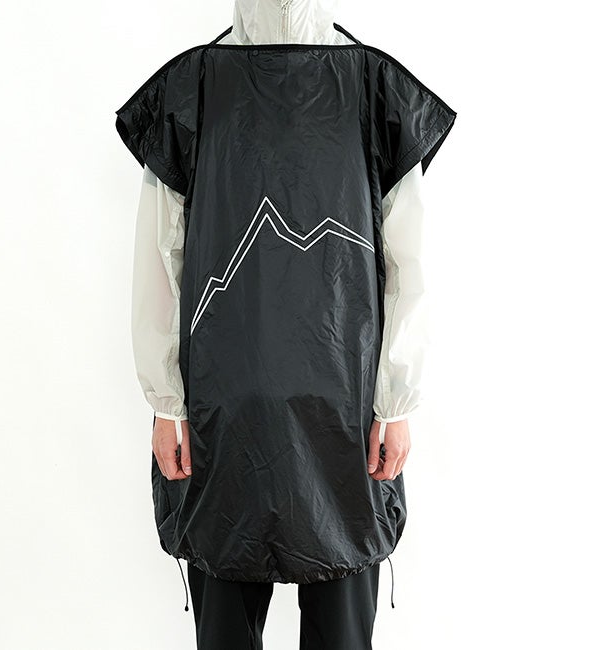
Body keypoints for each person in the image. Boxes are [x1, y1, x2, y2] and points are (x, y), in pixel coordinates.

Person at [115, 1, 456, 647]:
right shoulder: (194, 89)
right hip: (223, 419)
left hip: (347, 420)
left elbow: (408, 261)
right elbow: (160, 255)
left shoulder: (374, 89)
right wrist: (166, 403)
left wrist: (397, 404)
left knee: (339, 628)